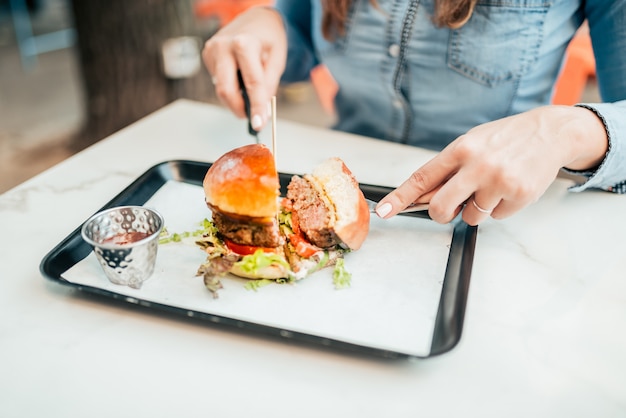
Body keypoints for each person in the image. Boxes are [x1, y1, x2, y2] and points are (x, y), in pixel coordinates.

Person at [202, 0, 626, 226]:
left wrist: (567, 132)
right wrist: (268, 24)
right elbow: (299, 36)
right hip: (337, 188)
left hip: (494, 220)